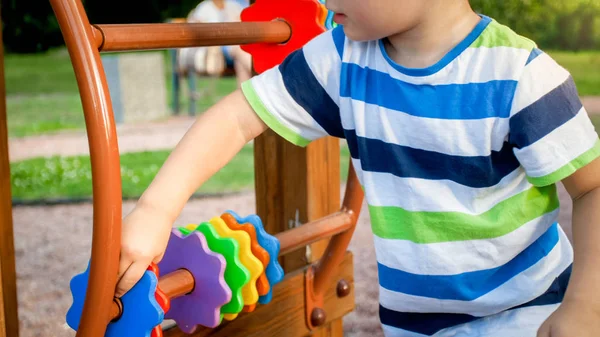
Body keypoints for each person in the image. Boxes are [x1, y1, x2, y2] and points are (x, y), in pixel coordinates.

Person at [114, 0, 600, 335]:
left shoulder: (520, 76)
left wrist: (585, 306)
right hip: (412, 324)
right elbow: (236, 118)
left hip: (525, 313)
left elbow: (592, 188)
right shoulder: (342, 58)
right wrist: (156, 209)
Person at [179, 0, 253, 85]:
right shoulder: (204, 7)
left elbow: (242, 23)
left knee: (241, 61)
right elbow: (196, 29)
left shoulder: (233, 6)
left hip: (233, 45)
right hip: (215, 47)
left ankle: (245, 92)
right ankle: (260, 75)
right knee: (241, 51)